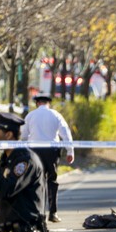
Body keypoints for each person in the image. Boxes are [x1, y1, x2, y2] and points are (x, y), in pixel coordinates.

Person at [21, 93, 74, 223]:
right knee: (52, 181)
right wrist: (70, 151)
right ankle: (53, 212)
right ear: (48, 103)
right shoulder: (55, 115)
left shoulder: (30, 116)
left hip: (34, 151)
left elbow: (22, 135)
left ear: (37, 103)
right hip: (51, 151)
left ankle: (37, 213)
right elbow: (65, 133)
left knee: (36, 181)